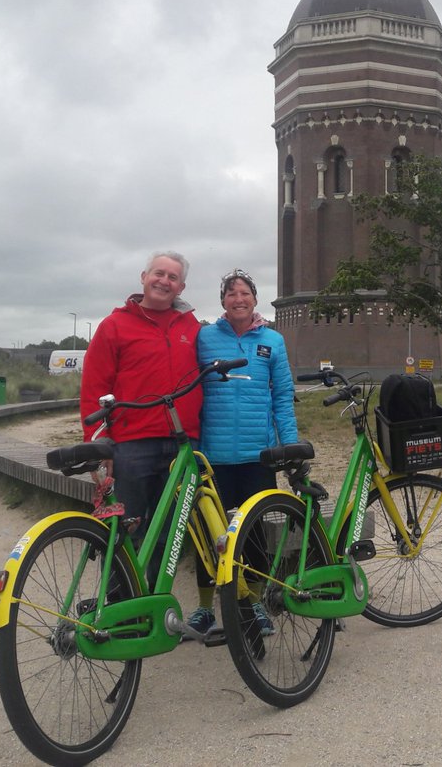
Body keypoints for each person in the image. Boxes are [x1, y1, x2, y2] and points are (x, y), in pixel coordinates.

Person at [80, 251, 203, 584]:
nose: (164, 281)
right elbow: (94, 387)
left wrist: (257, 324)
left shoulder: (191, 326)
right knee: (126, 531)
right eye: (158, 273)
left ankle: (155, 604)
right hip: (132, 445)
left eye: (172, 277)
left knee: (169, 533)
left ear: (181, 287)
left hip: (182, 444)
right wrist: (97, 446)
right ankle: (118, 611)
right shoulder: (114, 325)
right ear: (143, 277)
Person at [188, 268, 298, 636]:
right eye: (231, 293)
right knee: (208, 537)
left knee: (252, 536)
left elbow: (283, 397)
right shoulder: (204, 338)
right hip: (212, 457)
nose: (239, 299)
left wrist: (291, 446)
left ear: (255, 299)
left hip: (258, 456)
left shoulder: (273, 341)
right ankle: (205, 609)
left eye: (245, 293)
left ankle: (254, 605)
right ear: (222, 301)